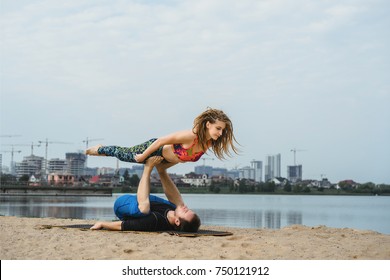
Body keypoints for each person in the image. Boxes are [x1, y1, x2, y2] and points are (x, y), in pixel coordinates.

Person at [90, 156, 201, 232]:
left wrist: (102, 224)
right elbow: (180, 206)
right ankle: (161, 170)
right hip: (139, 199)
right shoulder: (174, 211)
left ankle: (147, 167)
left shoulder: (154, 221)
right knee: (179, 204)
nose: (186, 207)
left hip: (122, 204)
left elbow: (123, 226)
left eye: (185, 211)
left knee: (144, 209)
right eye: (188, 208)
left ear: (177, 221)